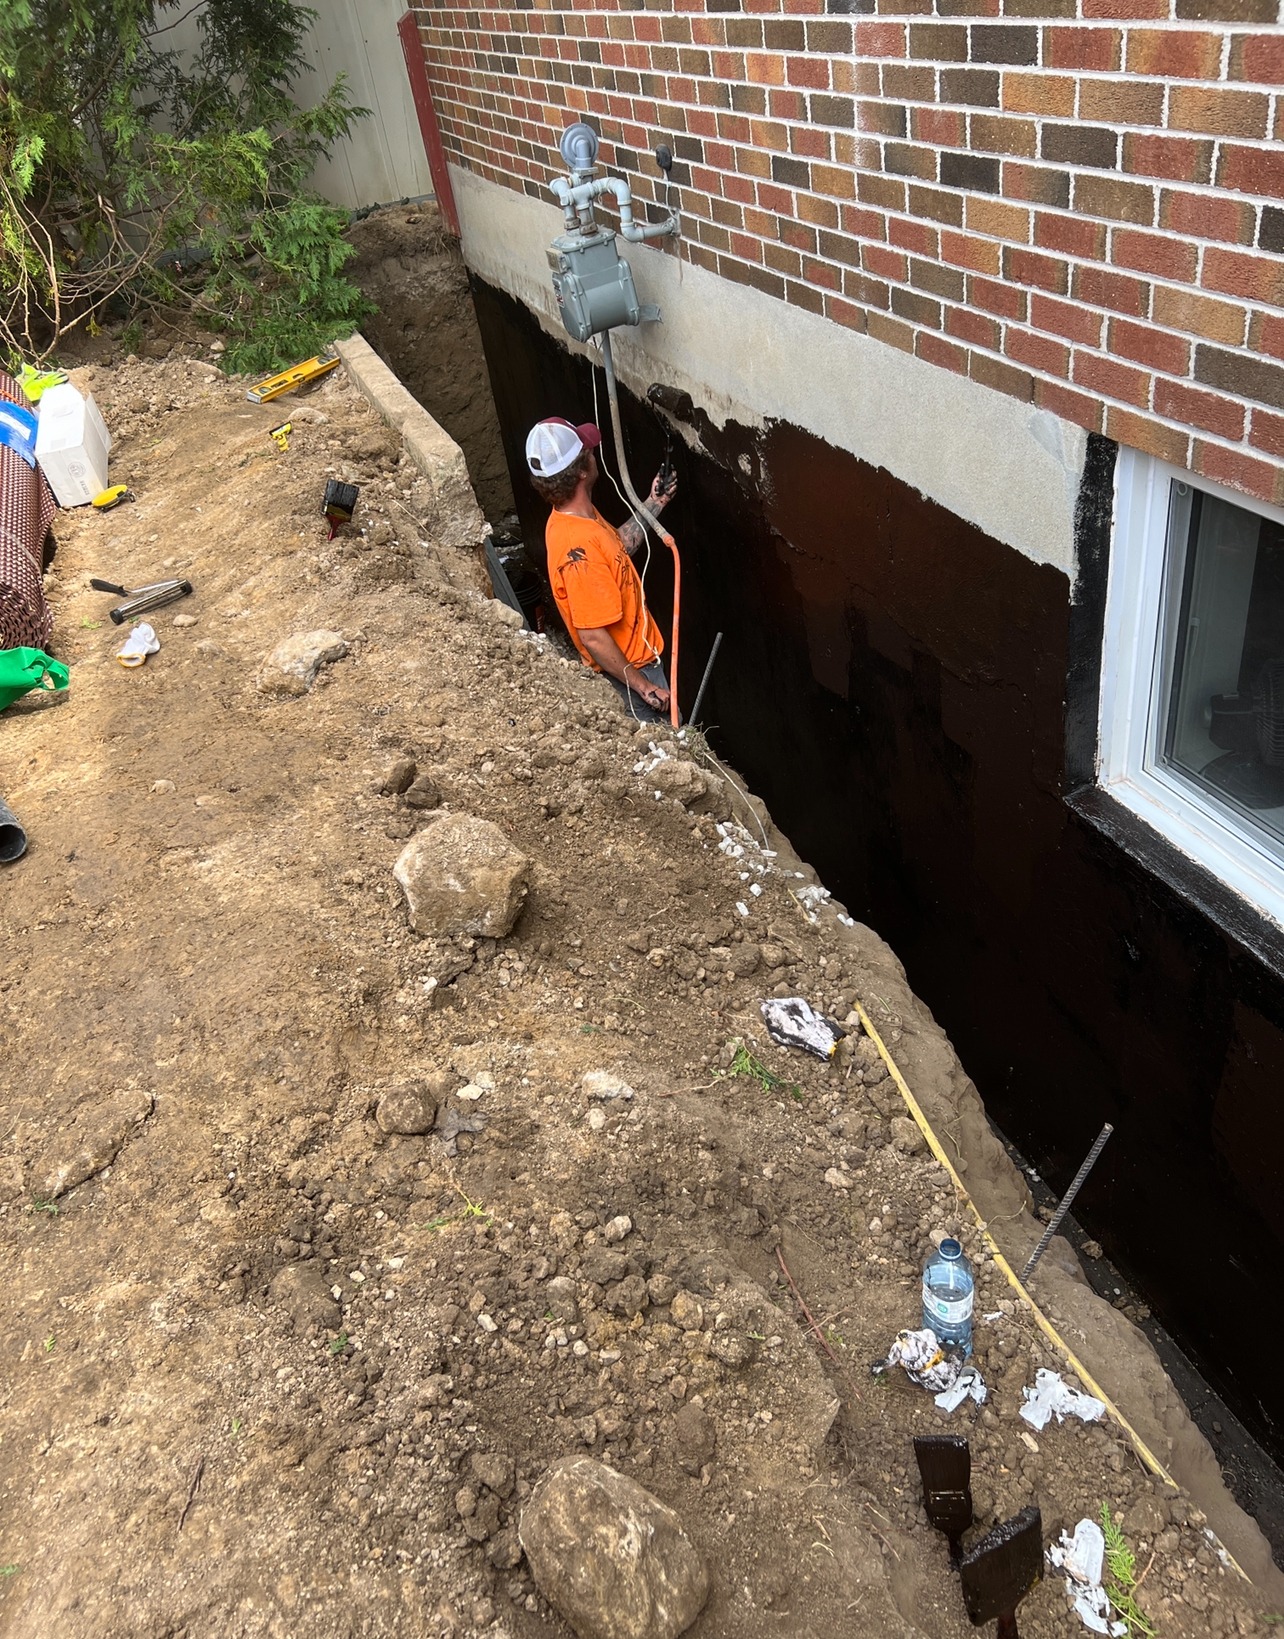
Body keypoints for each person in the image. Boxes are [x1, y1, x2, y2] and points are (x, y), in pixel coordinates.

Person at [525, 416, 677, 723]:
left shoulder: (577, 516)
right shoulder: (577, 552)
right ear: (582, 471)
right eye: (589, 452)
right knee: (670, 754)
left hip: (640, 662)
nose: (594, 455)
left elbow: (616, 547)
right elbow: (593, 635)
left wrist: (655, 502)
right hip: (632, 677)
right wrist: (645, 687)